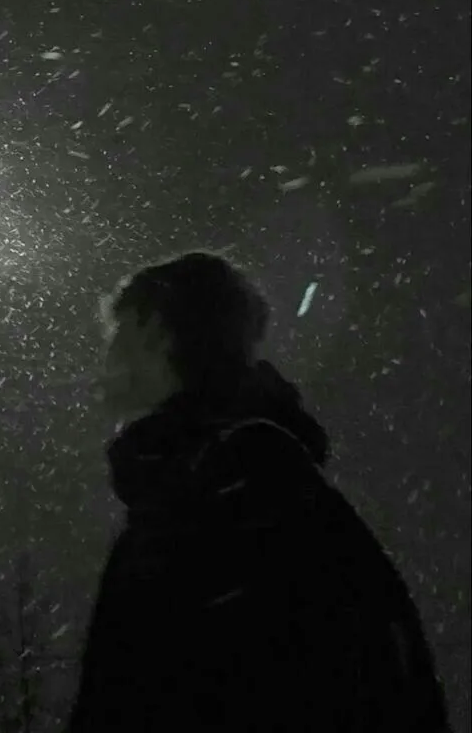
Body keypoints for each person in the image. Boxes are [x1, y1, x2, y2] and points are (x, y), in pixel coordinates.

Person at [66, 250, 451, 732]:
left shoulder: (234, 492)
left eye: (117, 334)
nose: (105, 357)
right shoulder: (231, 485)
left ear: (156, 332)